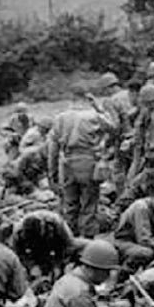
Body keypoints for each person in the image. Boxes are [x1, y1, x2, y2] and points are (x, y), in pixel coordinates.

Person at [49, 82, 110, 237]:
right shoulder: (94, 115)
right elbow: (113, 127)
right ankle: (88, 243)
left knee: (69, 205)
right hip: (88, 162)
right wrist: (99, 107)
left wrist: (52, 173)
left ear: (72, 97)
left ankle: (70, 241)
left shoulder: (60, 117)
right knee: (89, 205)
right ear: (87, 97)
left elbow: (53, 149)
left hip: (67, 162)